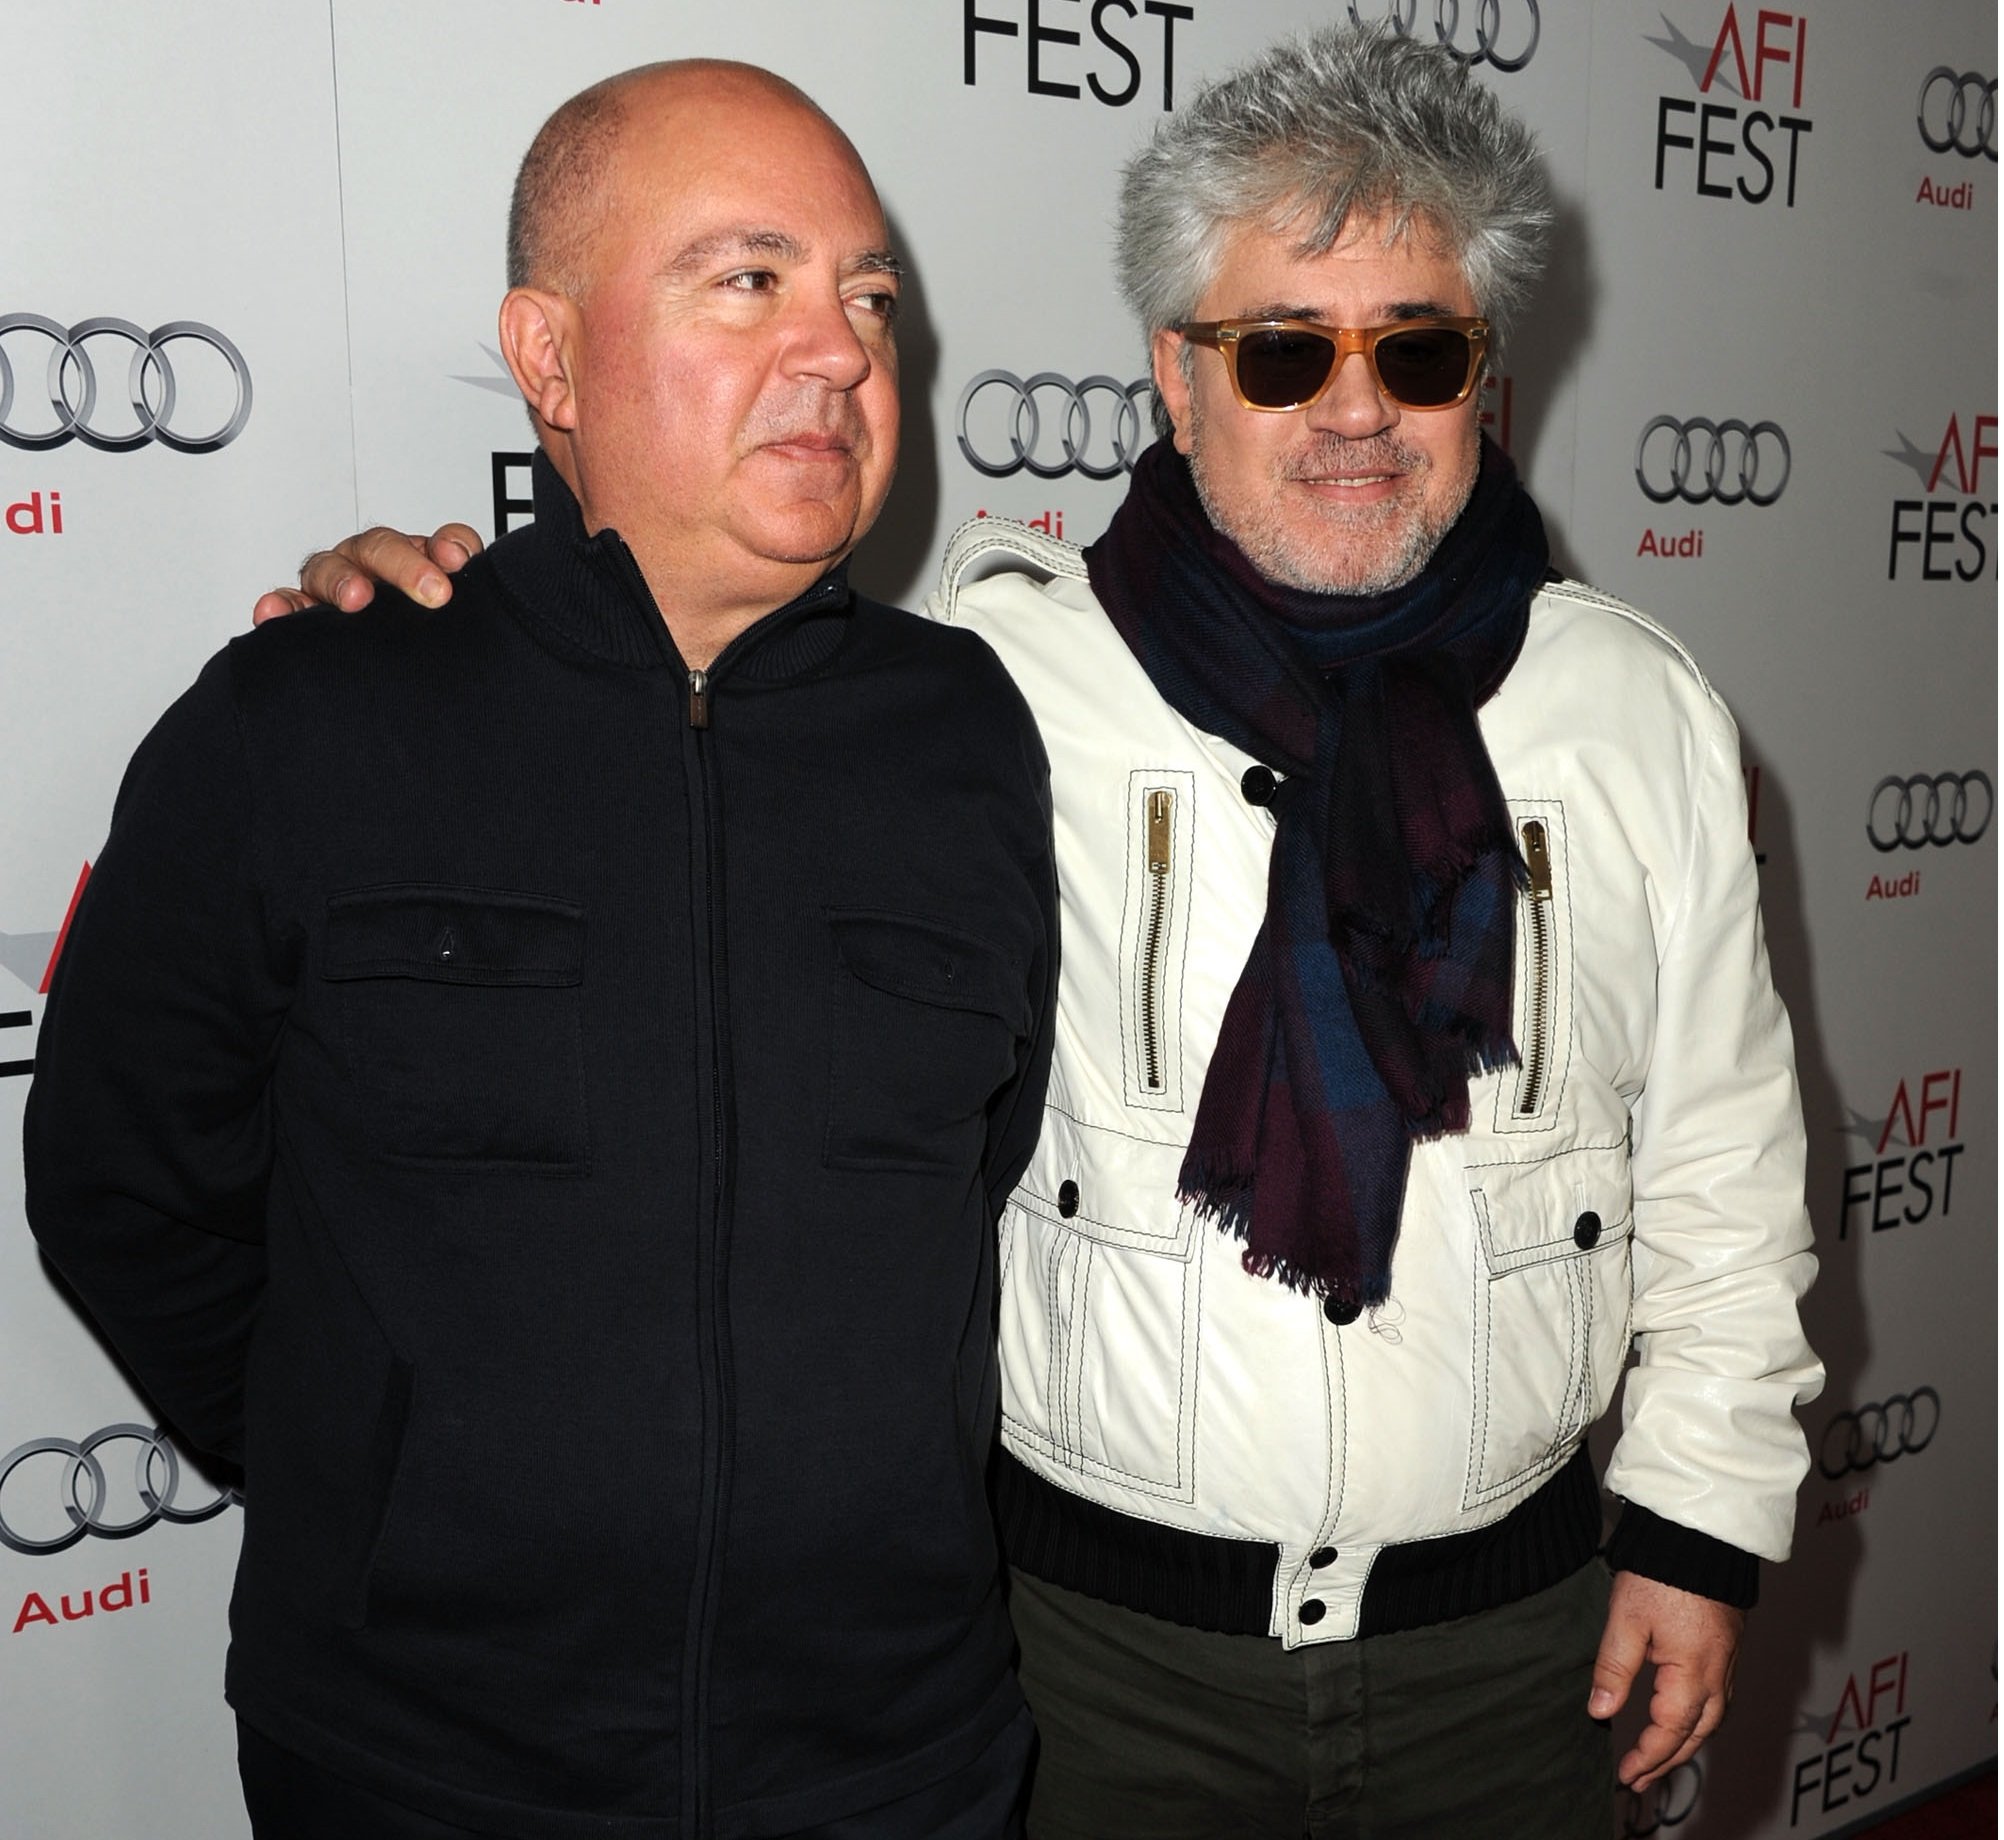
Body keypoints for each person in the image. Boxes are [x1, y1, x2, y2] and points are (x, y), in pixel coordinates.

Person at [264, 25, 1823, 1840]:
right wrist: (429, 626)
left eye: (1418, 347)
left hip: (1518, 1660)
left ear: (1483, 374)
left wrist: (1701, 1536)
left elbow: (1722, 1165)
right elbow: (660, 730)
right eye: (1281, 350)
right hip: (1086, 1671)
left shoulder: (1634, 715)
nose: (1354, 408)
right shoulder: (976, 694)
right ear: (1175, 374)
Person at [26, 60, 1057, 1840]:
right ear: (551, 356)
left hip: (900, 1771)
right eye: (750, 280)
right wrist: (380, 1475)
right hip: (423, 1773)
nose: (840, 346)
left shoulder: (968, 732)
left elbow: (991, 1153)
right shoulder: (308, 718)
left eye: (868, 294)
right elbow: (126, 1182)